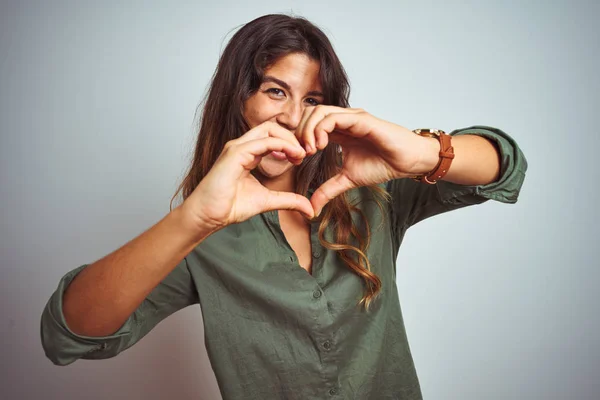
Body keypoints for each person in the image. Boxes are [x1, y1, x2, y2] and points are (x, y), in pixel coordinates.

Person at [40, 14, 527, 400]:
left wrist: (418, 152)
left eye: (311, 98)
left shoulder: (370, 192)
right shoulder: (202, 234)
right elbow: (68, 334)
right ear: (238, 99)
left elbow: (505, 167)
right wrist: (193, 219)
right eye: (276, 91)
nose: (293, 117)